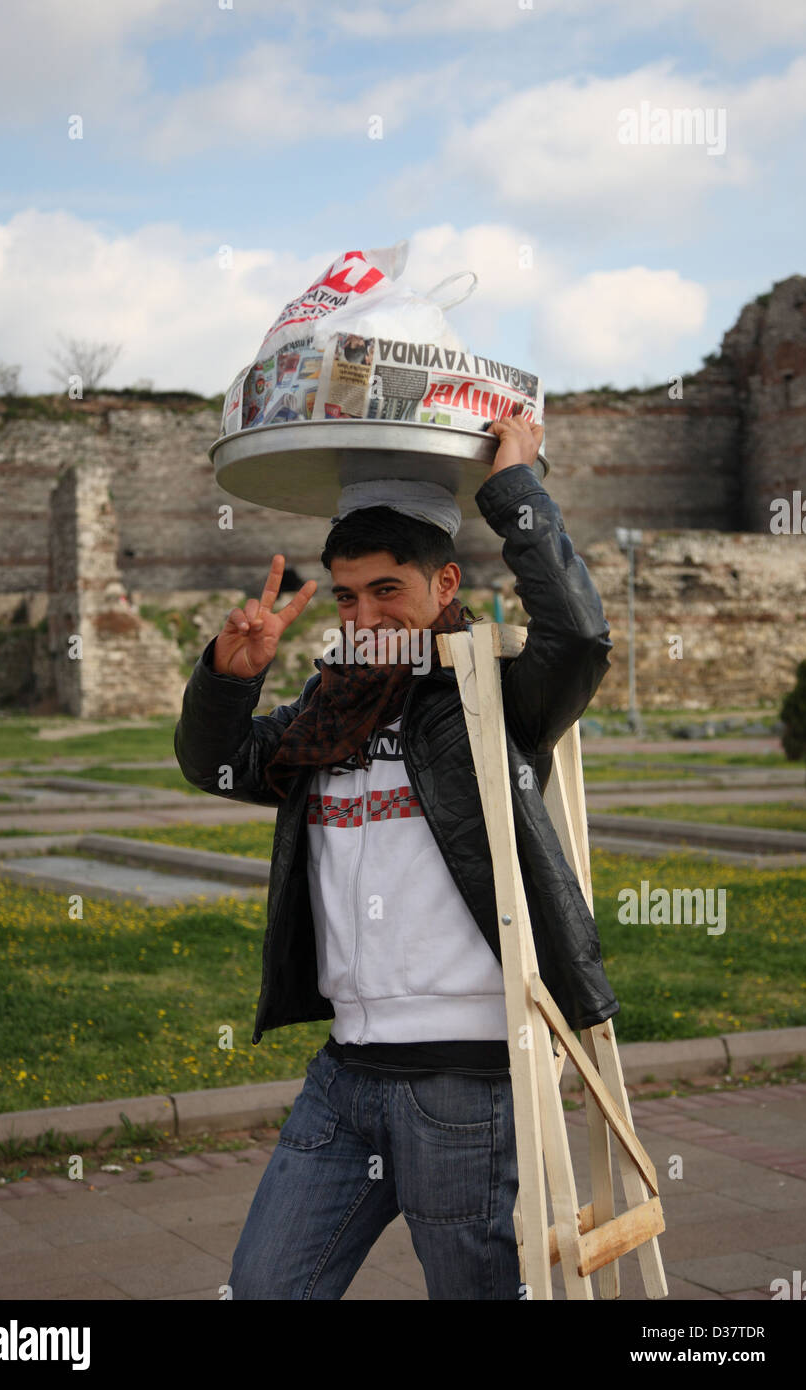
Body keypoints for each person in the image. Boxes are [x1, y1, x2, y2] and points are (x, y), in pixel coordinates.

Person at [174, 413, 618, 1299]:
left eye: (387, 590)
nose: (365, 618)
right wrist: (228, 676)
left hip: (463, 1077)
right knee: (265, 1288)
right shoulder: (323, 712)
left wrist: (516, 490)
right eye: (346, 598)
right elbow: (218, 765)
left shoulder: (494, 696)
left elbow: (578, 638)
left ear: (445, 580)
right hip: (345, 1074)